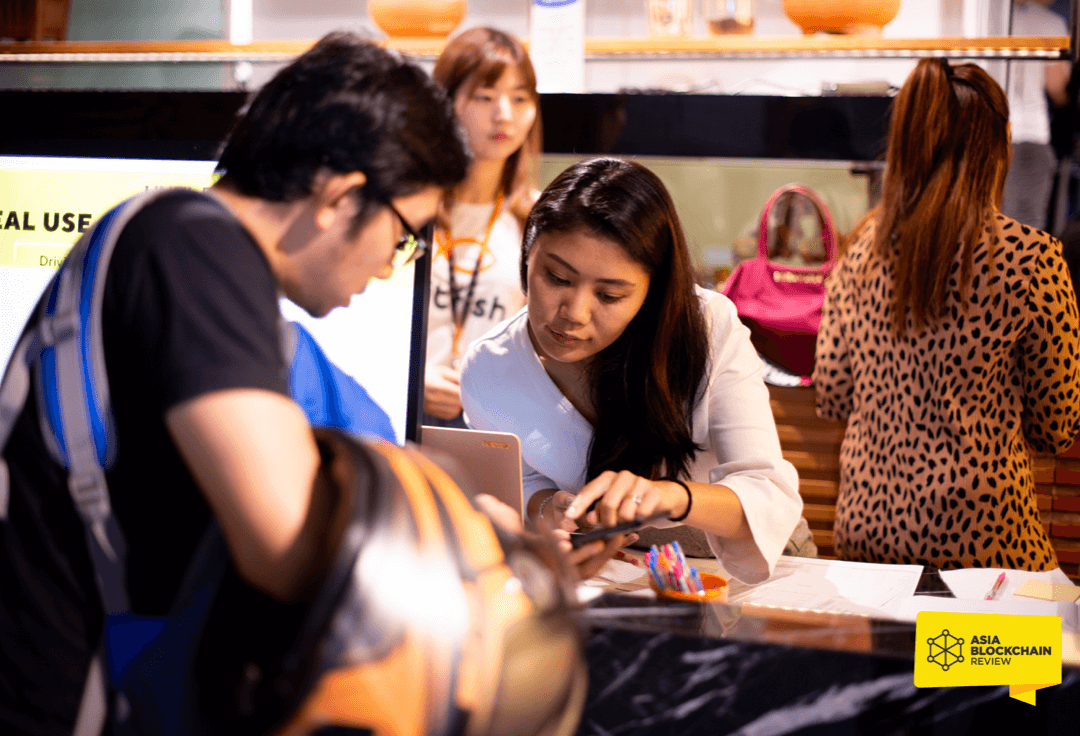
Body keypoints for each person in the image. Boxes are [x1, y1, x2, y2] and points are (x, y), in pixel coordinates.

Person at [0, 33, 468, 736]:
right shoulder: (192, 246)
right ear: (341, 197)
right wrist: (466, 564)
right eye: (406, 235)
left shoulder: (186, 247)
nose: (389, 265)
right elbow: (287, 548)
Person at [459, 157, 804, 584]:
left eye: (609, 296)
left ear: (650, 292)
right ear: (527, 255)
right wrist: (551, 511)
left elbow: (766, 490)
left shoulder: (707, 327)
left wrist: (668, 497)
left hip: (751, 569)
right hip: (616, 575)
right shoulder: (490, 368)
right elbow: (522, 483)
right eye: (557, 278)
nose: (574, 313)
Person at [814, 58, 1080, 572]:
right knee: (1051, 625)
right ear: (1001, 144)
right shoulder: (1031, 259)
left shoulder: (861, 250)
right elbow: (1056, 426)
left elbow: (833, 394)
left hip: (867, 538)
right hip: (987, 548)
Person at [422, 27, 540, 428]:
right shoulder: (408, 210)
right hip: (402, 419)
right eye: (484, 97)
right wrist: (411, 378)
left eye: (519, 98)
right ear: (445, 103)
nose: (503, 114)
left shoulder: (539, 218)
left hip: (495, 427)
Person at [1001, 0, 1071, 231]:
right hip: (1030, 131)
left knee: (991, 220)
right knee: (1027, 223)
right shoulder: (1051, 23)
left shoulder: (991, 17)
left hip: (990, 130)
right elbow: (1056, 86)